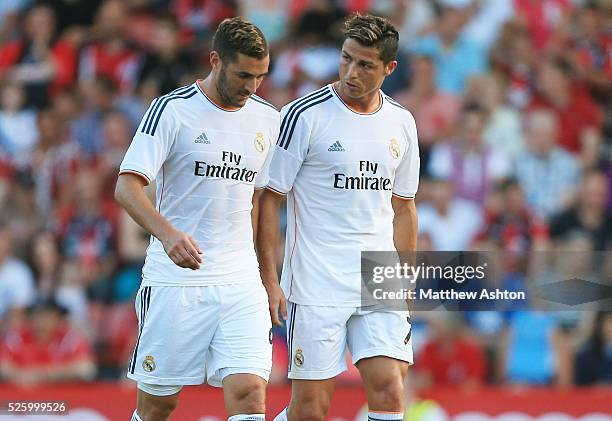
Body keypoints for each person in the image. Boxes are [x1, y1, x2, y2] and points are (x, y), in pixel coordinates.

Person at [114, 17, 278, 421]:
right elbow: (126, 187)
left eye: (260, 76)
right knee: (158, 405)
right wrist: (167, 235)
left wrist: (270, 280)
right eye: (243, 74)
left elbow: (257, 204)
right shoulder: (172, 109)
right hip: (176, 280)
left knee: (250, 395)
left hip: (240, 280)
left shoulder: (268, 119)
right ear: (215, 60)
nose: (251, 86)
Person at [258, 14, 419, 421]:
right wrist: (270, 278)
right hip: (317, 277)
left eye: (365, 65)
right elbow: (270, 198)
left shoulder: (402, 121)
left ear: (389, 68)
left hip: (377, 275)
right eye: (346, 58)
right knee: (311, 409)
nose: (351, 72)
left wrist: (406, 278)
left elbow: (404, 206)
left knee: (389, 391)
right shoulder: (302, 116)